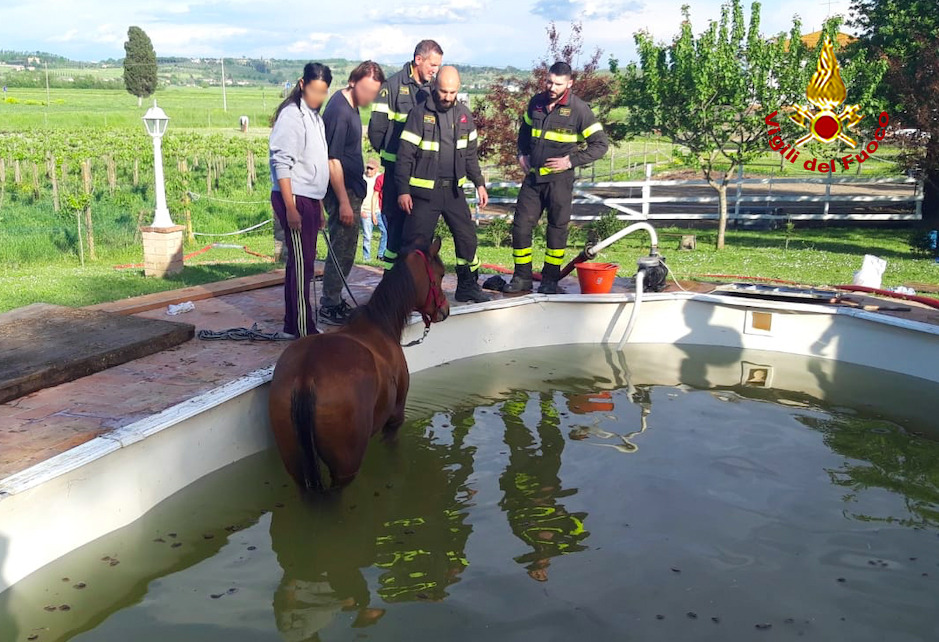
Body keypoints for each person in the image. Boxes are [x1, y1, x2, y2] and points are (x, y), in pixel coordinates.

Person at [504, 61, 610, 294]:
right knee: (521, 227)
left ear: (569, 83)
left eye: (558, 84)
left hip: (559, 182)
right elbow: (524, 132)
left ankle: (550, 280)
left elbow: (601, 145)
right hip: (533, 180)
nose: (552, 87)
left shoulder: (579, 110)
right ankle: (521, 277)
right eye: (549, 82)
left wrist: (570, 161)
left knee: (556, 231)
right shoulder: (536, 103)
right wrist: (521, 154)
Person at [395, 66, 491, 303]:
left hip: (454, 192)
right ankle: (413, 294)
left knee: (467, 239)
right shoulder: (419, 114)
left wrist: (479, 184)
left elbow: (470, 156)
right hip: (424, 193)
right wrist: (403, 190)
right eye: (443, 91)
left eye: (452, 92)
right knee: (416, 245)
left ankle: (467, 286)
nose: (447, 97)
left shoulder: (465, 117)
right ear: (435, 87)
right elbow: (405, 155)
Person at [318, 61, 385, 326]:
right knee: (342, 249)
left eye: (374, 93)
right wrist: (344, 202)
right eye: (366, 90)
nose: (369, 97)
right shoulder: (339, 112)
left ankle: (334, 299)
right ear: (353, 81)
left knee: (347, 249)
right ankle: (329, 304)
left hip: (352, 188)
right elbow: (332, 160)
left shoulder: (352, 106)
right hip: (341, 191)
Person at [268, 62, 333, 338]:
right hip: (294, 198)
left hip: (310, 198)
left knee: (303, 262)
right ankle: (301, 327)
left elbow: (314, 165)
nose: (318, 96)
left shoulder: (315, 118)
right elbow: (281, 163)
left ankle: (295, 324)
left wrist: (319, 205)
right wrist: (291, 207)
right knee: (301, 264)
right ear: (302, 83)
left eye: (323, 92)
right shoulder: (292, 116)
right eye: (314, 90)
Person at [368, 39, 443, 270]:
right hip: (396, 173)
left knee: (420, 230)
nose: (435, 70)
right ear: (418, 60)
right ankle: (391, 278)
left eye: (438, 66)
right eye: (432, 65)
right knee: (395, 227)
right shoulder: (391, 87)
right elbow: (376, 130)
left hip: (424, 174)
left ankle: (417, 278)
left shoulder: (434, 89)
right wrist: (394, 158)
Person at [360, 159, 387, 261]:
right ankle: (366, 257)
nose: (369, 170)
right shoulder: (362, 178)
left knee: (385, 232)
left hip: (378, 210)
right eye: (367, 168)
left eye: (371, 168)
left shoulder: (379, 178)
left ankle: (381, 254)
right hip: (365, 210)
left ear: (376, 169)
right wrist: (361, 210)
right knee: (367, 235)